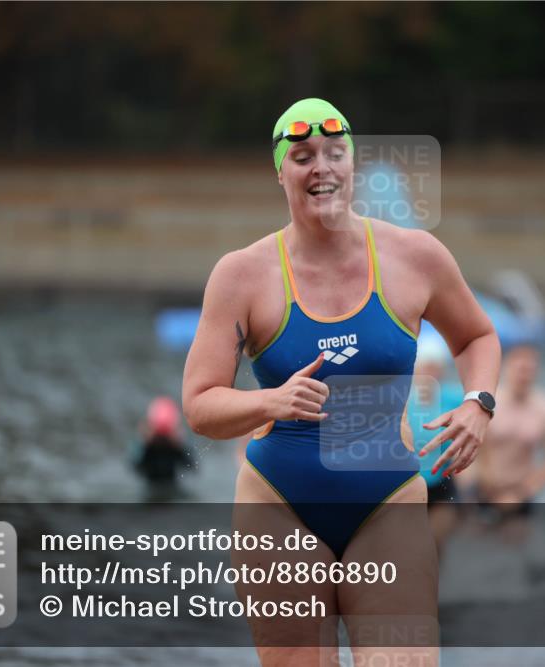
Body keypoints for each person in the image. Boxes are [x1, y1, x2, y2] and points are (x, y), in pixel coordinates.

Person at [181, 98, 500, 666]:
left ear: (353, 162)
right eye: (302, 157)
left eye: (334, 153)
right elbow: (200, 405)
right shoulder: (242, 275)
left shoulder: (414, 256)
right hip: (278, 507)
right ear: (280, 172)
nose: (320, 168)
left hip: (387, 501)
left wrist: (479, 402)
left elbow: (477, 338)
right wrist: (270, 402)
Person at [467, 344, 545, 521]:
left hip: (519, 491)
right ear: (506, 368)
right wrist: (484, 480)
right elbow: (473, 443)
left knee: (517, 541)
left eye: (529, 370)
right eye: (520, 369)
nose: (524, 375)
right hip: (481, 486)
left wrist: (528, 489)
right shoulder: (488, 402)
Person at [403, 335, 465, 556]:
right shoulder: (401, 398)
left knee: (435, 545)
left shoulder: (454, 397)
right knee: (408, 547)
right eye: (427, 367)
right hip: (407, 483)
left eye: (436, 367)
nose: (431, 373)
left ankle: (436, 587)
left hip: (441, 481)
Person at [132, 397, 195, 499]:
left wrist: (180, 445)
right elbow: (135, 465)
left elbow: (192, 466)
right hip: (150, 489)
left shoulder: (175, 446)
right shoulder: (148, 446)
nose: (162, 440)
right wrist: (145, 444)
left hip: (172, 487)